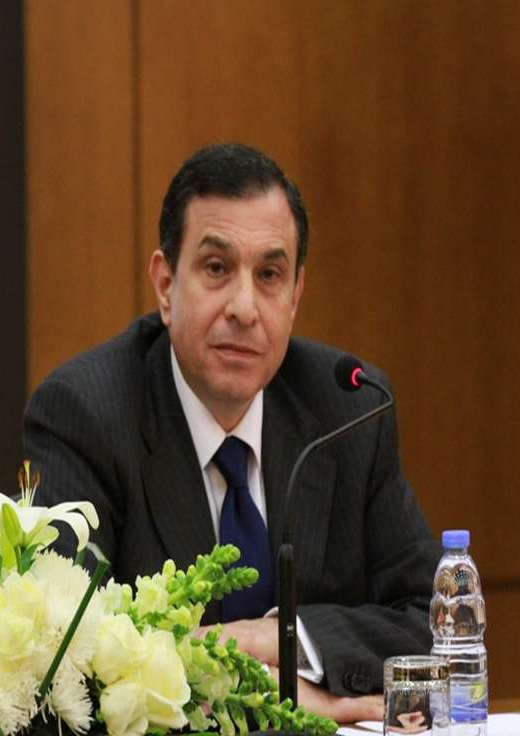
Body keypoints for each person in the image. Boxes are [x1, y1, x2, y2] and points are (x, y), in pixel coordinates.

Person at [23, 143, 440, 722]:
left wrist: (272, 642)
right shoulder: (87, 414)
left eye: (269, 275)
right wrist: (269, 698)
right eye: (217, 269)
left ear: (295, 296)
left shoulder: (347, 410)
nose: (245, 307)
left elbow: (434, 621)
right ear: (165, 284)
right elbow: (64, 655)